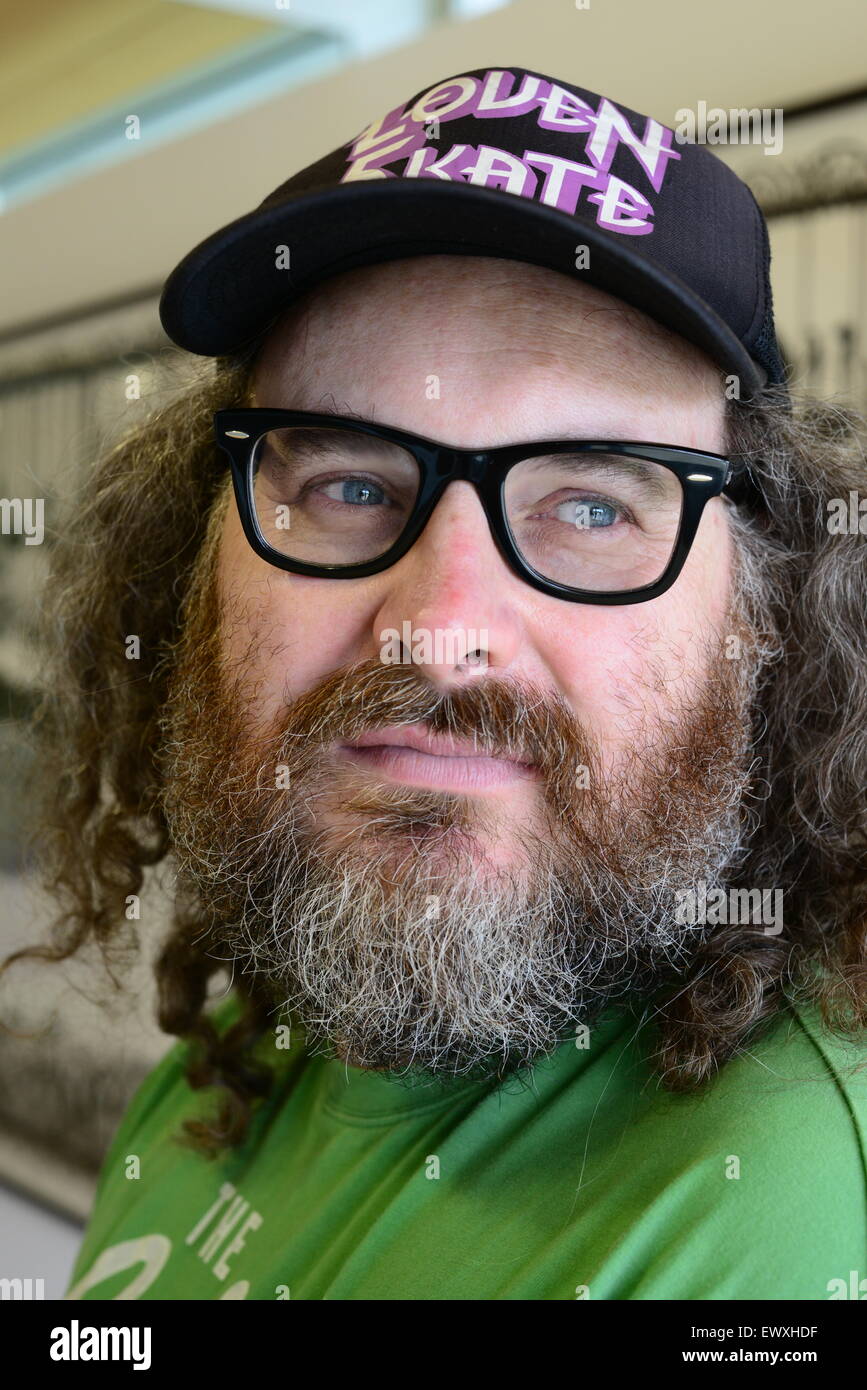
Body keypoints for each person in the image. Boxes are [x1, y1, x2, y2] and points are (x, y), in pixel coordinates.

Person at [10, 67, 867, 1300]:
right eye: (351, 486)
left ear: (766, 609)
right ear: (193, 559)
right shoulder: (251, 1046)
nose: (442, 632)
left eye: (591, 505)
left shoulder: (777, 1232)